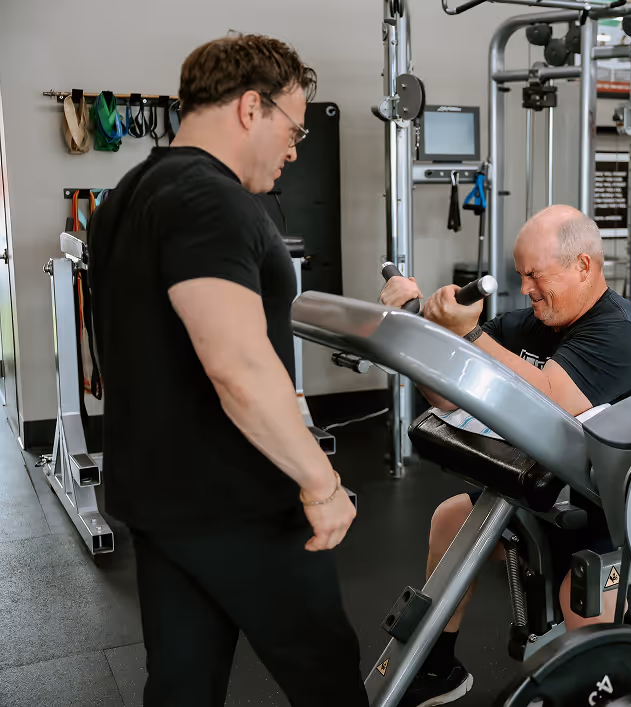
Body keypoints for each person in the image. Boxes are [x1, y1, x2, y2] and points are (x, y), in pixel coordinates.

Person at [87, 34, 368, 707]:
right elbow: (237, 365)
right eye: (293, 128)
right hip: (239, 501)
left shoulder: (127, 195)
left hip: (159, 499)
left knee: (182, 687)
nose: (296, 149)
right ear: (251, 108)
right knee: (327, 676)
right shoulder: (210, 200)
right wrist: (321, 480)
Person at [380, 204, 631, 707]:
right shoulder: (530, 323)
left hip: (623, 510)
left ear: (583, 267)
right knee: (451, 522)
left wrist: (467, 333)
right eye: (521, 276)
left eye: (535, 276)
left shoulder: (624, 332)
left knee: (578, 615)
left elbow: (546, 397)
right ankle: (437, 670)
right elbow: (451, 394)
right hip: (559, 487)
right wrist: (414, 329)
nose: (526, 289)